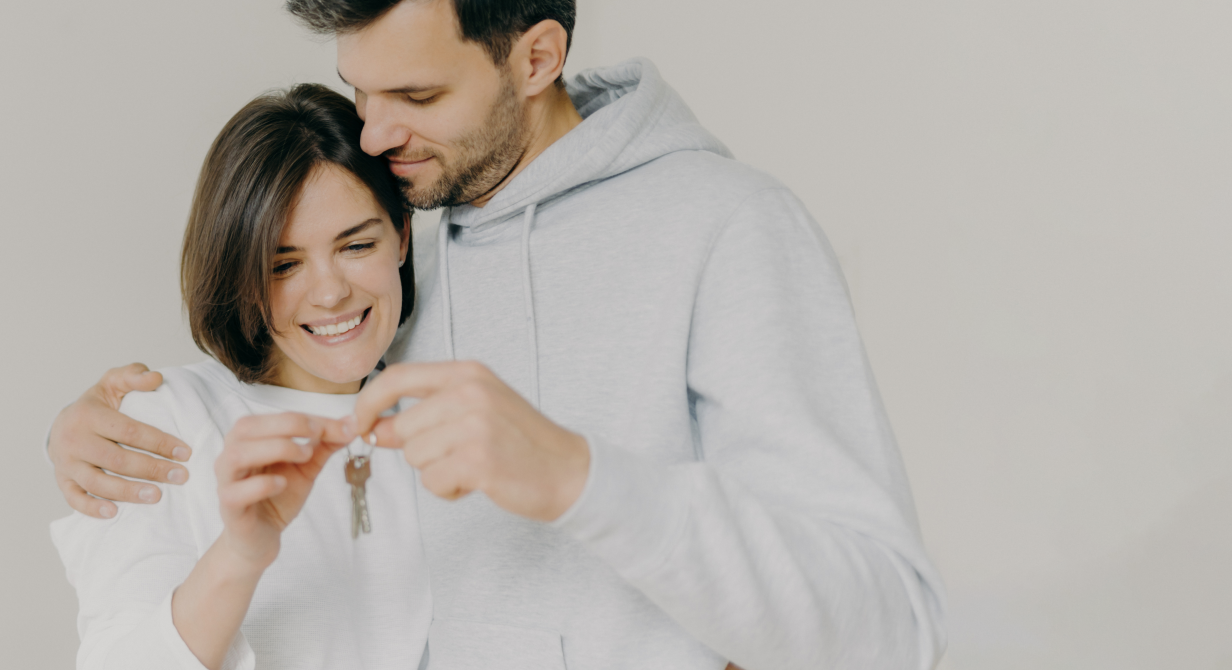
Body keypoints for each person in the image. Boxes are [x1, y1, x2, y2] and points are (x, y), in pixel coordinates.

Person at [48, 1, 948, 669]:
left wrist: (576, 476)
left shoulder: (727, 229)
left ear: (536, 57)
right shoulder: (403, 246)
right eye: (362, 91)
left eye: (416, 92)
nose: (374, 132)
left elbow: (890, 633)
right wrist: (86, 432)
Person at [50, 84, 431, 670]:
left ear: (402, 235)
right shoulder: (165, 423)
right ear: (240, 275)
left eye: (356, 245)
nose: (330, 292)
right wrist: (241, 555)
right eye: (284, 264)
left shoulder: (435, 404)